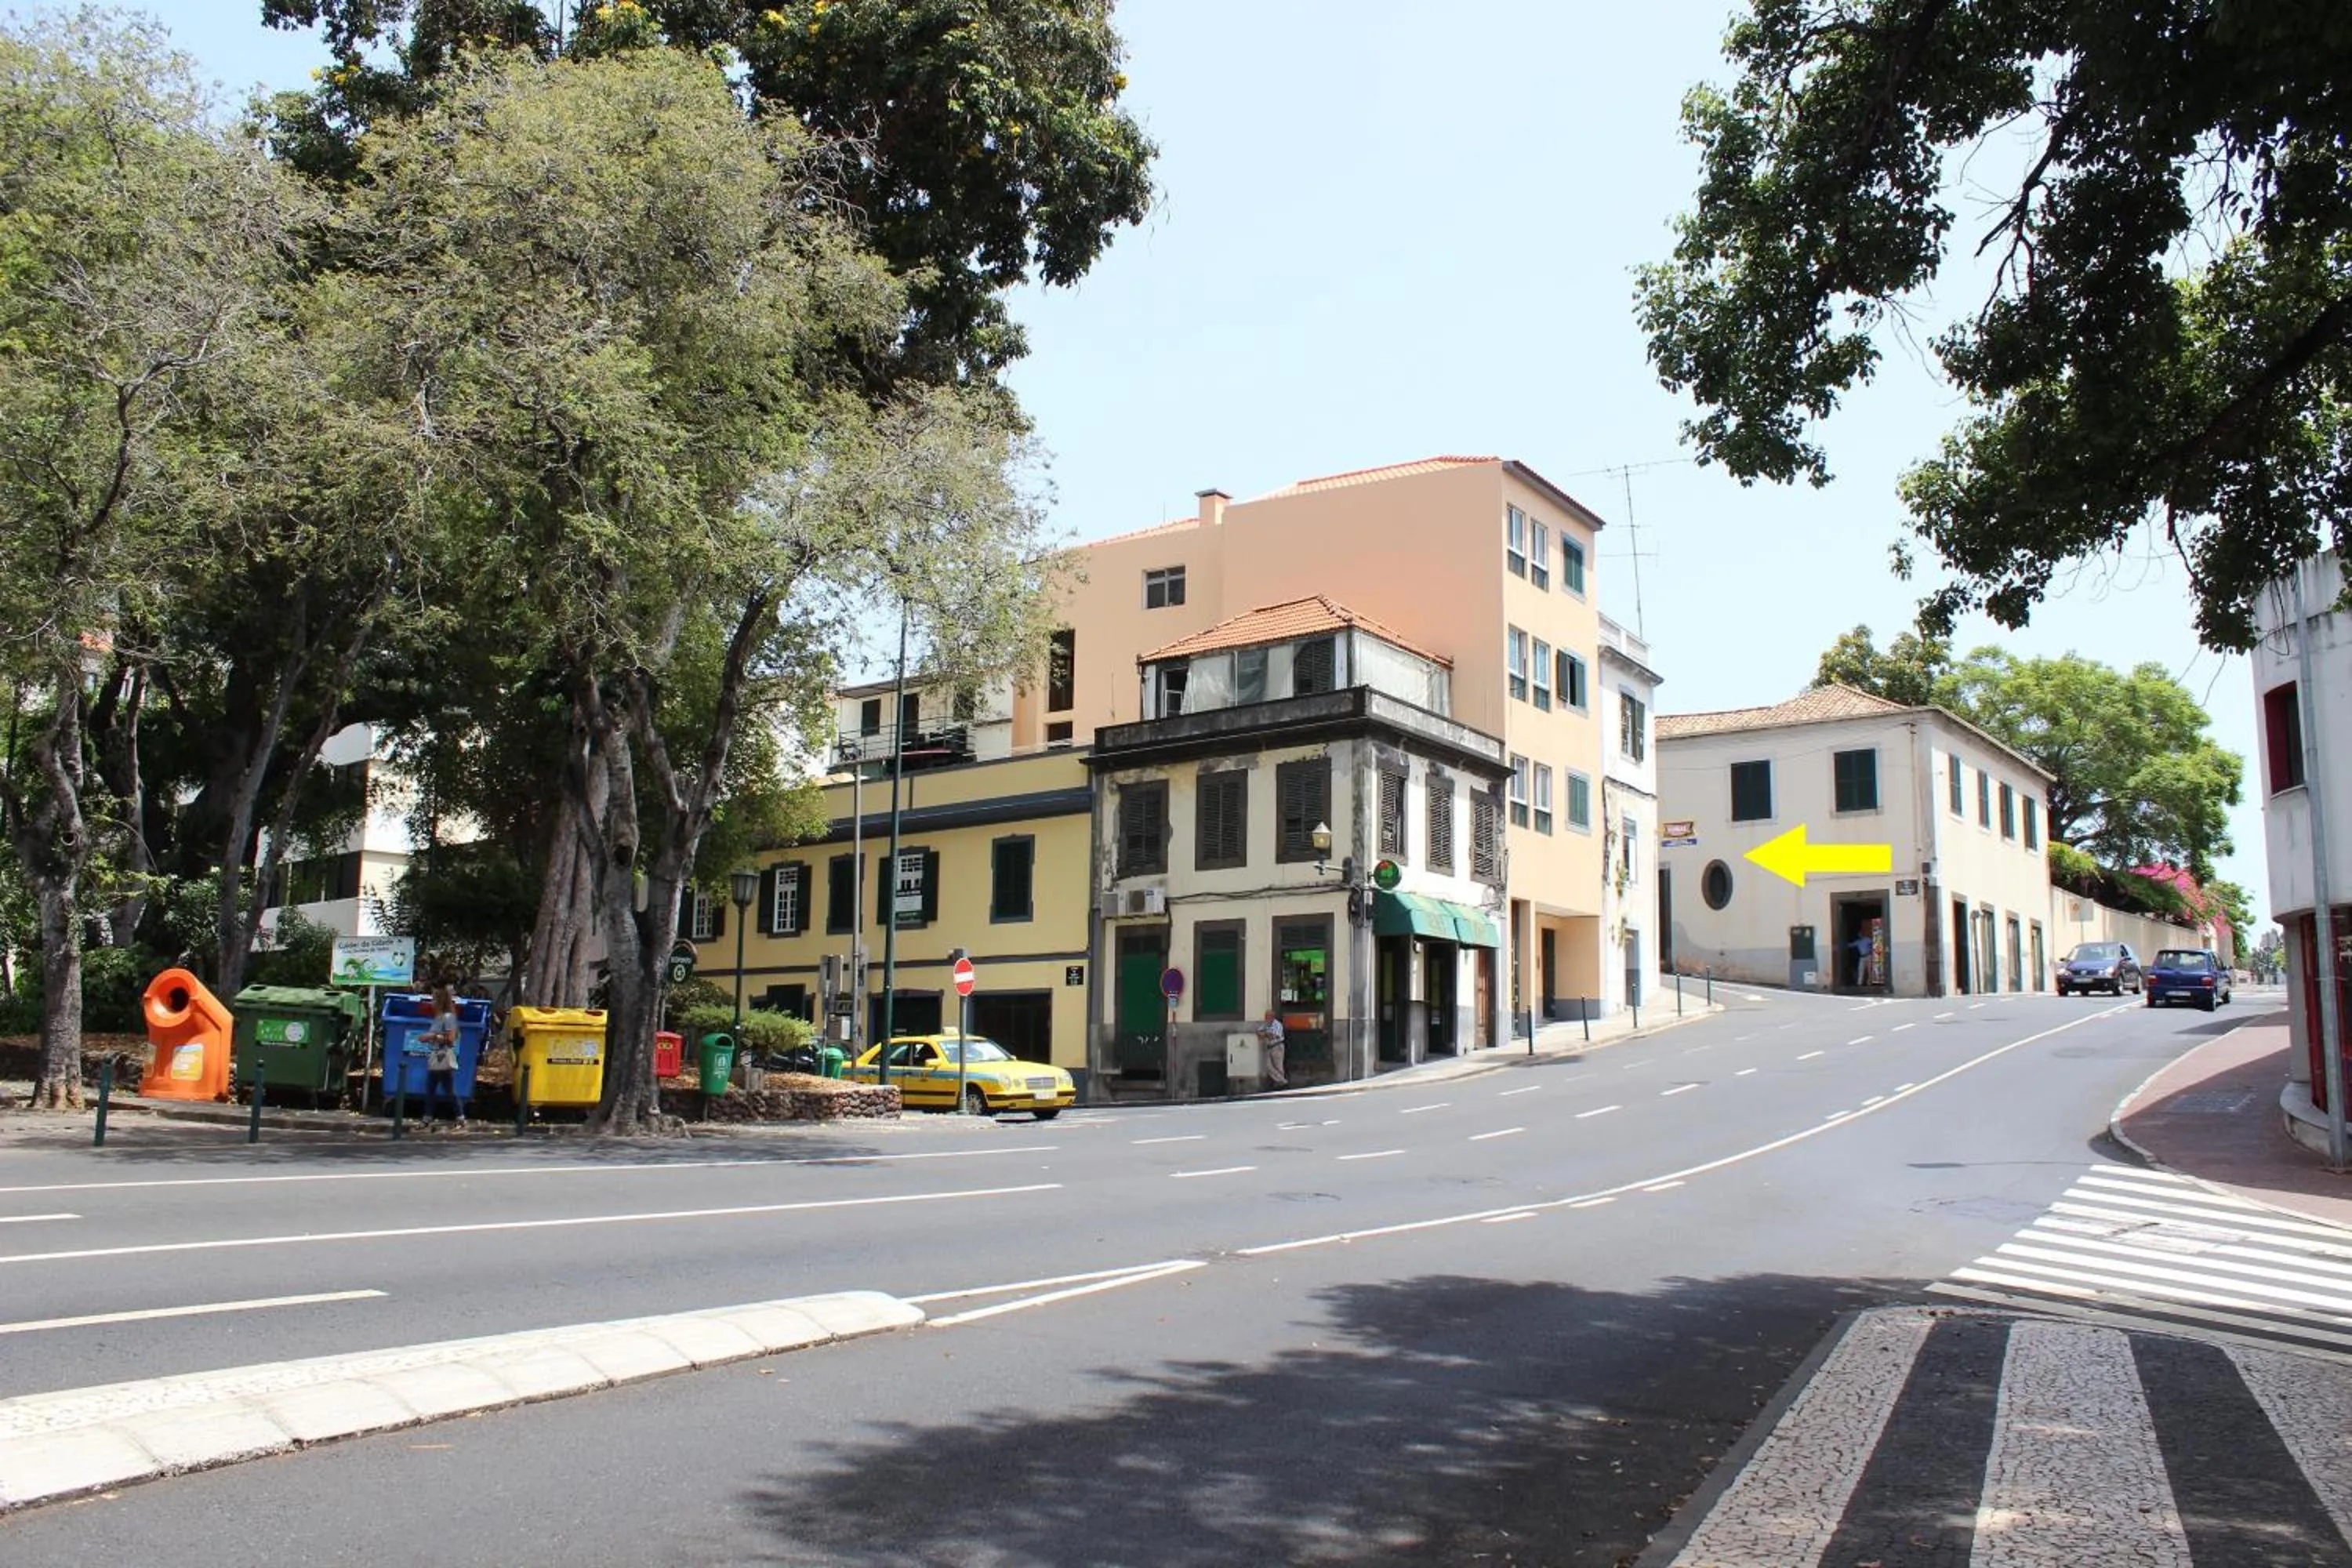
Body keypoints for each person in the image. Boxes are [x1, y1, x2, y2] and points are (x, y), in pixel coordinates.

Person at [419, 982, 465, 1130]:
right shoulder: (440, 1017)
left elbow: (451, 1039)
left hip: (443, 1055)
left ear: (440, 1001)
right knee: (432, 1089)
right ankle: (427, 1119)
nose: (432, 1002)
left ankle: (459, 1118)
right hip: (437, 1055)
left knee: (448, 1090)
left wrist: (431, 1036)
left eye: (434, 999)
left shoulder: (448, 1017)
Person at [1258, 1007, 1288, 1091]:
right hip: (1269, 1047)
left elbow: (1273, 1036)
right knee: (1268, 1066)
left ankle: (1280, 1084)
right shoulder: (1266, 1024)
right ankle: (1282, 1081)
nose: (1266, 1018)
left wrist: (1265, 1034)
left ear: (1272, 1017)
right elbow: (1259, 1033)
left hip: (1277, 1047)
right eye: (1265, 1016)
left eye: (1267, 1016)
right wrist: (1266, 1034)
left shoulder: (1277, 1025)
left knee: (1278, 1066)